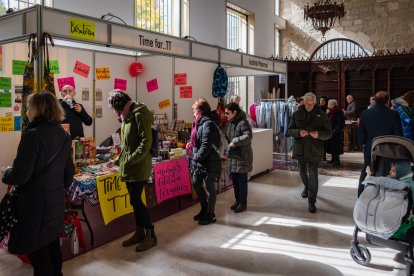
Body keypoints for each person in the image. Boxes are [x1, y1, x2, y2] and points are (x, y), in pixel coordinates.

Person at [2, 91, 74, 276]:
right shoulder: (64, 135)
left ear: (38, 108)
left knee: (38, 253)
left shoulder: (32, 136)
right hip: (55, 203)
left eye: (29, 107)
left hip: (34, 206)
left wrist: (6, 173)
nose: (27, 111)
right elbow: (68, 176)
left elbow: (20, 176)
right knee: (51, 246)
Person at [107, 89, 156, 252]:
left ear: (121, 105)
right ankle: (139, 232)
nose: (115, 113)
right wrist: (118, 160)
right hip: (130, 167)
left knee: (136, 200)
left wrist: (129, 160)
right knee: (134, 201)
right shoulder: (126, 116)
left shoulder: (139, 113)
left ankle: (151, 234)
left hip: (139, 166)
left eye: (115, 109)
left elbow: (145, 143)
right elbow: (127, 146)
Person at [288, 92, 332, 213]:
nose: (309, 106)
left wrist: (319, 134)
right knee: (302, 172)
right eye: (307, 104)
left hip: (315, 149)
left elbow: (329, 133)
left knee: (313, 175)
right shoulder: (296, 114)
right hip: (300, 149)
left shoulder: (321, 115)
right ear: (303, 102)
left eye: (311, 104)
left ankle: (311, 201)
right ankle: (307, 187)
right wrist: (298, 133)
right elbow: (290, 130)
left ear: (315, 103)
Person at [357, 91, 403, 197]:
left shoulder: (365, 113)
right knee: (387, 173)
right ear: (387, 101)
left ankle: (361, 196)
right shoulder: (393, 114)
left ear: (375, 101)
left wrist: (363, 145)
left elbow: (361, 133)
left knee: (366, 171)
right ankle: (383, 198)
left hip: (371, 147)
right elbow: (398, 134)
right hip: (388, 149)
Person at [188, 98, 221, 225]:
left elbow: (207, 145)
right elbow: (198, 141)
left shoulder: (209, 124)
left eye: (194, 111)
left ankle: (210, 214)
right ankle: (204, 209)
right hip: (200, 161)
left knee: (209, 188)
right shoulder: (198, 123)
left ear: (200, 111)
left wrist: (196, 157)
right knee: (196, 183)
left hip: (209, 161)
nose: (193, 113)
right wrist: (190, 144)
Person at [224, 102, 253, 213]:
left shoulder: (243, 122)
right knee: (235, 181)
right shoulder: (229, 123)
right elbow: (227, 136)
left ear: (234, 112)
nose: (225, 115)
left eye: (227, 113)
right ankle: (237, 200)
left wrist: (235, 142)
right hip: (233, 156)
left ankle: (243, 203)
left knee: (242, 181)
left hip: (242, 156)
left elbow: (248, 136)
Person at [326, 99, 345, 167]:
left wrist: (335, 130)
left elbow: (340, 123)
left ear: (332, 105)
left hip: (337, 133)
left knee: (336, 147)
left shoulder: (338, 112)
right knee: (332, 147)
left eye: (329, 104)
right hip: (331, 132)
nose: (328, 106)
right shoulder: (331, 112)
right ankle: (333, 159)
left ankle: (337, 161)